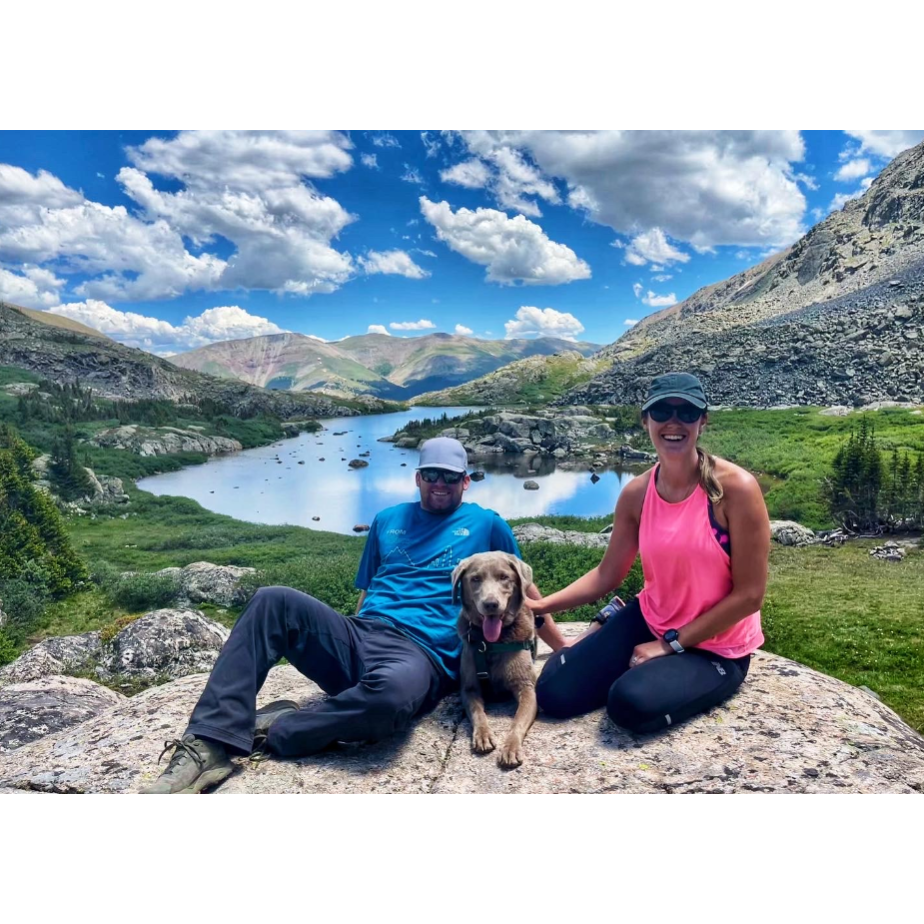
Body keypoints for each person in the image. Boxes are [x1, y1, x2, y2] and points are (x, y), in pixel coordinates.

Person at [142, 436, 566, 793]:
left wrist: (562, 650)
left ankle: (271, 730)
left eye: (450, 477)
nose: (439, 484)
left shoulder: (488, 524)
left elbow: (524, 596)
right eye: (431, 475)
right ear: (418, 477)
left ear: (466, 481)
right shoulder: (387, 520)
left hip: (422, 657)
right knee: (273, 599)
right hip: (364, 632)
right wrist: (346, 640)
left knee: (388, 699)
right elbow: (366, 593)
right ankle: (208, 741)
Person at [527, 372, 769, 734]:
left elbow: (750, 596)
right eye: (662, 412)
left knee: (629, 704)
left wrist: (669, 645)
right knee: (553, 691)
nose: (674, 422)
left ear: (702, 421)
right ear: (646, 421)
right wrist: (540, 607)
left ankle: (657, 672)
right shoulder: (637, 493)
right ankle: (616, 642)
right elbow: (607, 575)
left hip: (717, 645)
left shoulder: (735, 489)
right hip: (651, 616)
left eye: (686, 412)